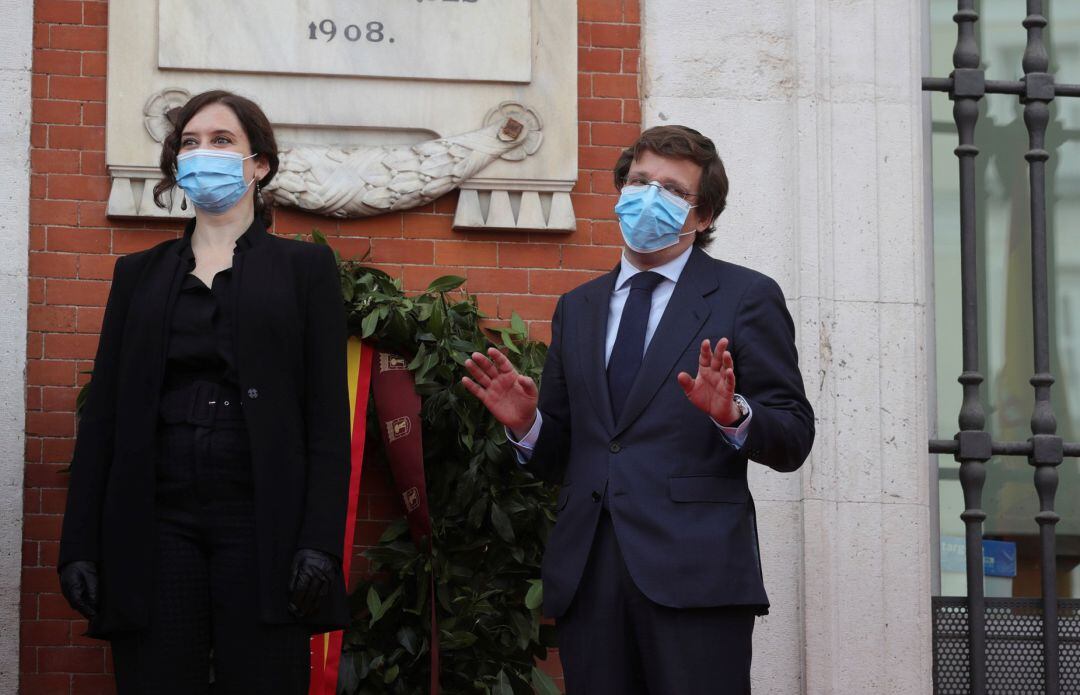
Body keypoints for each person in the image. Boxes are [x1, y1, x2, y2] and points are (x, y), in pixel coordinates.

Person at [463, 125, 814, 694]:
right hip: (589, 575)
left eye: (673, 190)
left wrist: (733, 415)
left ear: (702, 217)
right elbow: (562, 455)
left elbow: (794, 436)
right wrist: (527, 425)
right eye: (639, 180)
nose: (649, 196)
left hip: (696, 577)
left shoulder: (745, 296)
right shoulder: (578, 307)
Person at [58, 90, 352, 694]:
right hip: (156, 514)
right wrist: (80, 543)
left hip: (260, 516)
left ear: (259, 164)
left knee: (264, 678)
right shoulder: (137, 274)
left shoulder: (306, 272)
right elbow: (106, 414)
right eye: (190, 143)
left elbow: (326, 418)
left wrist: (319, 543)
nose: (203, 154)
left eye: (222, 141)